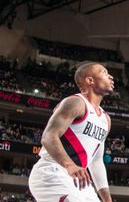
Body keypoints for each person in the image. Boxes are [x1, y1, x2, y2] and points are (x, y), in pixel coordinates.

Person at [28, 62, 114, 202]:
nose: (110, 76)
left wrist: (107, 199)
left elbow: (96, 162)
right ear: (90, 80)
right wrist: (69, 165)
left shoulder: (106, 119)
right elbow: (49, 136)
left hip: (80, 181)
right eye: (104, 72)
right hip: (53, 171)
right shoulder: (75, 103)